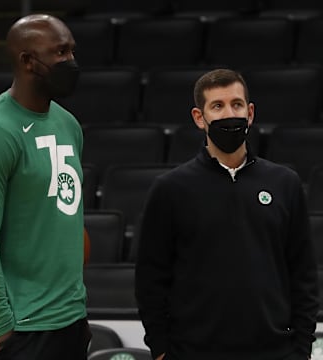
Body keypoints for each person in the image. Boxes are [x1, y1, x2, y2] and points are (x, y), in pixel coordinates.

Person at [135, 68, 319, 360]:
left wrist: (301, 348)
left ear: (250, 113)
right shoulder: (170, 189)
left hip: (275, 352)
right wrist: (160, 349)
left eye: (236, 104)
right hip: (193, 352)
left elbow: (304, 274)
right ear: (199, 117)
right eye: (217, 106)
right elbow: (150, 278)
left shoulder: (285, 183)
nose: (228, 113)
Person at [0, 14, 91, 360]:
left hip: (69, 319)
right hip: (20, 326)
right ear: (27, 61)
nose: (71, 62)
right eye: (60, 53)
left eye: (72, 52)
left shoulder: (68, 124)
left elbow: (63, 211)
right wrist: (2, 327)